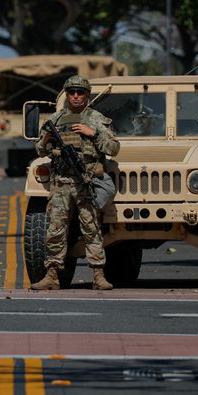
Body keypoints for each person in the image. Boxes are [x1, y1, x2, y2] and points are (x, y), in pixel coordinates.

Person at [31, 75, 120, 291]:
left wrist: (93, 133)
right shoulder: (56, 119)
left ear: (87, 95)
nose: (76, 96)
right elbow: (40, 151)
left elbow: (113, 148)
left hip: (85, 181)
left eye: (80, 92)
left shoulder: (96, 119)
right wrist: (45, 141)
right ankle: (52, 274)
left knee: (91, 229)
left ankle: (98, 275)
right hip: (61, 183)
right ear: (67, 94)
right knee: (55, 229)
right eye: (72, 92)